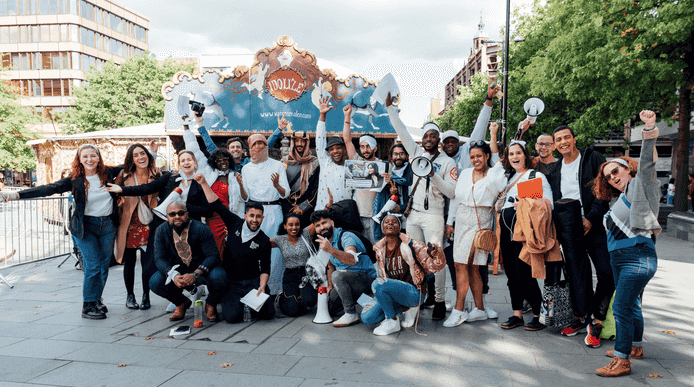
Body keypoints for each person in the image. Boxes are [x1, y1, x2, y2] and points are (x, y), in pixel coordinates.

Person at [2, 144, 122, 319]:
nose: (89, 160)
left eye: (93, 156)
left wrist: (154, 155)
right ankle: (87, 306)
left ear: (98, 157)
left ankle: (96, 299)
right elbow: (48, 188)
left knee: (104, 265)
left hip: (108, 226)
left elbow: (133, 164)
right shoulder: (74, 179)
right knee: (93, 265)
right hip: (84, 227)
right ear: (79, 160)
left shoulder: (109, 173)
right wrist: (17, 195)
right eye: (85, 156)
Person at [592, 110, 660, 377]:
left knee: (620, 305)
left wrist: (649, 129)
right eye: (608, 176)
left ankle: (621, 361)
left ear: (627, 168)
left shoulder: (641, 186)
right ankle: (635, 347)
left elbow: (646, 164)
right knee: (631, 305)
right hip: (621, 259)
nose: (612, 177)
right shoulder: (618, 200)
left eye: (616, 170)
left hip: (637, 256)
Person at [386, 92, 457, 320]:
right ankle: (420, 294)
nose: (428, 138)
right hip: (414, 214)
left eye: (432, 135)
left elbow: (452, 192)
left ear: (438, 139)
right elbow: (403, 131)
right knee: (415, 257)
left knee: (437, 258)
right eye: (425, 135)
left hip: (435, 214)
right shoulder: (415, 153)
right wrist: (390, 109)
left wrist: (435, 175)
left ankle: (439, 300)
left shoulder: (448, 162)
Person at [551, 125, 614, 347]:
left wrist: (591, 217)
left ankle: (597, 320)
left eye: (566, 137)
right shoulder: (555, 168)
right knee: (577, 276)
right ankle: (580, 317)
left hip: (593, 224)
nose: (563, 142)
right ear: (555, 145)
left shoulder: (592, 157)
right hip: (568, 228)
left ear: (574, 139)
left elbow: (605, 189)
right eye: (558, 139)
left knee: (607, 272)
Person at [444, 125, 507, 328]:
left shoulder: (494, 174)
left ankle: (459, 310)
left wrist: (494, 134)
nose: (475, 160)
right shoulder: (465, 173)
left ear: (486, 155)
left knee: (465, 265)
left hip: (481, 221)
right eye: (472, 157)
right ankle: (479, 309)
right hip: (462, 221)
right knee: (470, 268)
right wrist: (449, 222)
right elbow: (455, 198)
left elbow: (500, 171)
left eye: (479, 156)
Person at [196, 174, 276, 322]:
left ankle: (250, 303)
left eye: (258, 216)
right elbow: (217, 205)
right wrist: (203, 183)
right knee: (232, 318)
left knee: (268, 314)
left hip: (252, 281)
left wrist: (262, 287)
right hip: (232, 282)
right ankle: (235, 302)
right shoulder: (234, 223)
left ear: (262, 218)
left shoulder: (264, 240)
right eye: (251, 215)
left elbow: (265, 268)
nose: (254, 219)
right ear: (245, 215)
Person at [498, 140, 553, 331]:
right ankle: (517, 314)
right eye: (511, 154)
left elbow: (548, 204)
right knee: (511, 274)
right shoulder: (507, 178)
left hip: (524, 232)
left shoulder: (534, 175)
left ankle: (539, 315)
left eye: (518, 153)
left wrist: (524, 203)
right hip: (506, 231)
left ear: (525, 155)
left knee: (524, 274)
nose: (514, 157)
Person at [361, 214, 446, 335]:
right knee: (367, 317)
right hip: (393, 293)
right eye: (387, 222)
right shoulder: (379, 249)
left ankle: (392, 321)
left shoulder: (412, 244)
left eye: (394, 222)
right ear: (382, 228)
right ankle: (405, 308)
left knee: (378, 283)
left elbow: (435, 266)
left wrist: (435, 253)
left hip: (414, 292)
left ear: (399, 227)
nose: (390, 223)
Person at [149, 200, 226, 321]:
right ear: (167, 216)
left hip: (201, 269)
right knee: (155, 281)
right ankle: (181, 303)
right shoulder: (161, 231)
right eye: (172, 214)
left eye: (181, 213)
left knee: (219, 276)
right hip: (178, 270)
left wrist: (196, 274)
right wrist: (173, 275)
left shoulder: (201, 228)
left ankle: (211, 304)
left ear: (187, 214)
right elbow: (159, 258)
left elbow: (213, 256)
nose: (177, 217)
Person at [238, 132, 290, 298]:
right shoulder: (246, 168)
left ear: (266, 146)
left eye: (261, 143)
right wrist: (240, 186)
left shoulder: (277, 165)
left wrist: (276, 185)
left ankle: (274, 291)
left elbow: (285, 193)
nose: (258, 146)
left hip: (273, 212)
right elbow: (245, 197)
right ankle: (254, 290)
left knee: (274, 252)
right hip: (254, 213)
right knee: (253, 250)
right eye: (254, 144)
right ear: (250, 147)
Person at [182, 114, 242, 256]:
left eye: (225, 159)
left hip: (232, 218)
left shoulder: (235, 176)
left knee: (233, 250)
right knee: (214, 250)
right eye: (219, 160)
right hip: (212, 219)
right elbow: (194, 149)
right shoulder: (208, 173)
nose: (222, 162)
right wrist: (186, 127)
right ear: (213, 161)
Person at [113, 143, 162, 310]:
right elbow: (114, 193)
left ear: (148, 155)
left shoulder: (156, 173)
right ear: (131, 159)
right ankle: (130, 296)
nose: (141, 157)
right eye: (136, 155)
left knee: (147, 264)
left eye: (143, 153)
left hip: (149, 223)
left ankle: (146, 296)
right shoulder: (124, 175)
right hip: (128, 223)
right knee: (130, 263)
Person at [311, 209, 377, 327]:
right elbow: (330, 265)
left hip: (365, 279)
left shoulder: (346, 237)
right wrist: (330, 286)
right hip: (347, 282)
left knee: (338, 275)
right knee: (329, 307)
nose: (322, 227)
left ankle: (351, 314)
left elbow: (352, 259)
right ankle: (367, 301)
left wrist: (330, 249)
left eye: (324, 223)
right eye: (318, 225)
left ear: (332, 223)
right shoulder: (326, 241)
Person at [273, 115, 321, 227]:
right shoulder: (284, 162)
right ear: (292, 143)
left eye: (303, 141)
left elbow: (315, 190)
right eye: (297, 141)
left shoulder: (314, 163)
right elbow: (279, 189)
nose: (300, 144)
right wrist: (289, 208)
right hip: (287, 209)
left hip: (306, 210)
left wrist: (302, 207)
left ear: (307, 143)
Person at [343, 108, 382, 242]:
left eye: (368, 146)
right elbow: (347, 140)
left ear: (375, 148)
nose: (365, 150)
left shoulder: (382, 166)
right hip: (358, 216)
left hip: (376, 216)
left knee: (376, 250)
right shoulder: (357, 162)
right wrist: (347, 117)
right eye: (362, 146)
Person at [315, 96, 354, 211]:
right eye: (331, 149)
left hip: (344, 215)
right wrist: (322, 115)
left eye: (338, 148)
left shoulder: (351, 168)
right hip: (323, 214)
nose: (335, 151)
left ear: (344, 149)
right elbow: (320, 139)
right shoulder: (325, 162)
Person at [372, 144, 412, 241]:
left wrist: (401, 207)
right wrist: (392, 192)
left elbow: (407, 182)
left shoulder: (412, 170)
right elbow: (393, 195)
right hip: (395, 218)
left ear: (407, 156)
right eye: (395, 154)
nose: (398, 157)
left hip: (410, 216)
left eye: (401, 154)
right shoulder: (391, 171)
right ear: (391, 157)